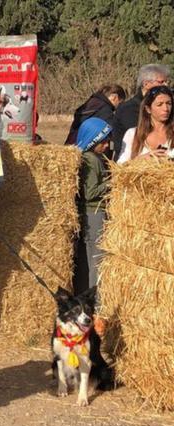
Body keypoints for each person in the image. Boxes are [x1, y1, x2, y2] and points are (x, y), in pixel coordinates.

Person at [73, 117, 113, 294]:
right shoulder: (91, 160)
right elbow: (90, 193)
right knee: (96, 259)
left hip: (90, 213)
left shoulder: (90, 157)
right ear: (93, 140)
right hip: (94, 213)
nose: (107, 145)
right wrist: (113, 181)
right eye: (103, 142)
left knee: (87, 258)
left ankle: (84, 294)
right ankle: (93, 298)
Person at [112, 64, 170, 159]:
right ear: (146, 84)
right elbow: (137, 138)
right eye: (161, 82)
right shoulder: (129, 109)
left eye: (168, 103)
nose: (166, 85)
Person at [117, 85, 174, 163]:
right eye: (159, 104)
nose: (166, 109)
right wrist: (140, 159)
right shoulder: (133, 134)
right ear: (148, 109)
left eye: (169, 103)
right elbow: (120, 166)